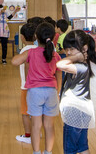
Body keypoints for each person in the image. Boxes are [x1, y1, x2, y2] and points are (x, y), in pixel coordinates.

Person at [11, 22, 61, 154]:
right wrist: (58, 91)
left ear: (36, 37)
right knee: (49, 126)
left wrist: (26, 53)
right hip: (51, 91)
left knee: (36, 125)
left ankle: (36, 152)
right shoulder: (55, 55)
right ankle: (48, 152)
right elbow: (59, 74)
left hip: (35, 92)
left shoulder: (31, 52)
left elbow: (14, 62)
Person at [56, 30, 96, 154]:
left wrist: (77, 56)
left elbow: (60, 64)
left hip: (74, 112)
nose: (68, 52)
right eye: (67, 49)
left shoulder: (80, 67)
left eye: (72, 49)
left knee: (70, 149)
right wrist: (76, 56)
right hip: (83, 111)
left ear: (84, 48)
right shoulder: (83, 65)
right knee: (82, 146)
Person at [15, 23, 37, 144]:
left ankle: (28, 136)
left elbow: (27, 69)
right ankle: (36, 131)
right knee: (36, 112)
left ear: (22, 37)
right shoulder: (38, 49)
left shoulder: (24, 51)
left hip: (27, 87)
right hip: (38, 87)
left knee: (25, 112)